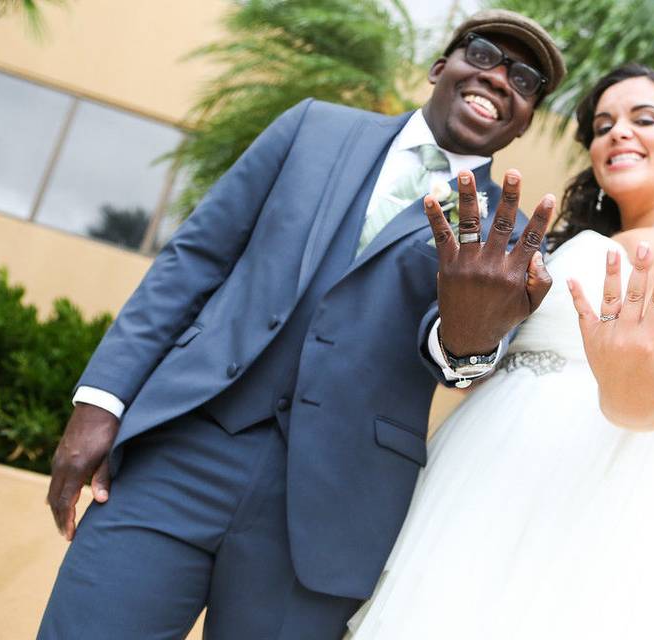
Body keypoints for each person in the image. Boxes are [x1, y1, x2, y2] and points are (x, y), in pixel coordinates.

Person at [38, 11, 566, 640]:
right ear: (439, 67)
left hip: (330, 509)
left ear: (527, 117)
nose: (501, 78)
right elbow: (195, 260)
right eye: (482, 54)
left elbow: (459, 360)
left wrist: (470, 332)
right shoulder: (313, 128)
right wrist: (100, 402)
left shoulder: (509, 240)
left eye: (526, 79)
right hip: (181, 450)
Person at [346, 64, 654, 639]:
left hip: (601, 495)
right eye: (603, 125)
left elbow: (650, 398)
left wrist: (627, 379)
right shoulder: (565, 245)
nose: (617, 132)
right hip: (482, 480)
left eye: (644, 118)